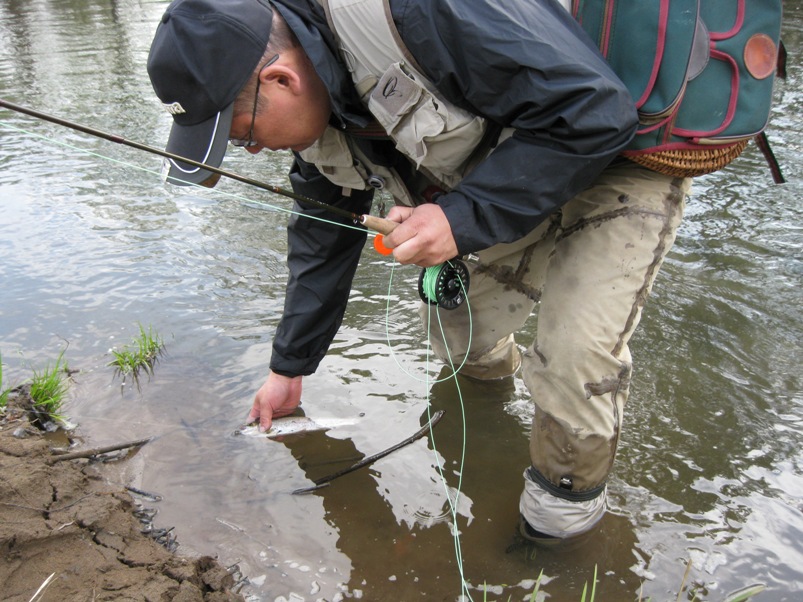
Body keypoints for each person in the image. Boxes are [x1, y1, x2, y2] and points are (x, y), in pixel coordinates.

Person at [147, 0, 691, 542]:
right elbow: (322, 240)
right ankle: (491, 417)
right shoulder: (320, 104)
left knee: (572, 359)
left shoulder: (427, 14)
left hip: (620, 159)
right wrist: (289, 368)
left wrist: (460, 217)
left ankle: (557, 533)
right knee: (459, 335)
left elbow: (595, 111)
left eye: (244, 135)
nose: (253, 151)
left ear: (282, 79)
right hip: (508, 173)